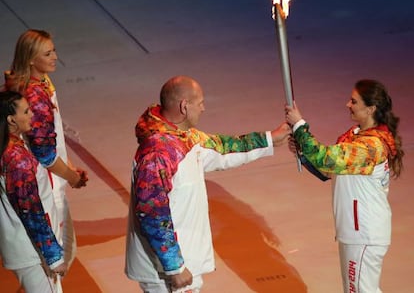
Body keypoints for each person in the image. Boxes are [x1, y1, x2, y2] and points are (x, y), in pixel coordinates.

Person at [125, 75, 291, 292]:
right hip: (165, 274)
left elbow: (224, 148)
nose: (203, 108)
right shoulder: (159, 152)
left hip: (182, 266)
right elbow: (152, 212)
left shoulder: (185, 137)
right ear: (185, 106)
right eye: (200, 103)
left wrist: (271, 139)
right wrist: (174, 266)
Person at [285, 79, 404, 292]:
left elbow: (327, 159)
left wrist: (300, 125)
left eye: (354, 101)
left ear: (370, 109)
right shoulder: (356, 136)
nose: (347, 105)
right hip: (355, 231)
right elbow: (329, 171)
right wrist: (302, 153)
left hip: (365, 232)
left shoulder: (370, 146)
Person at [4, 29, 88, 268]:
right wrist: (71, 176)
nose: (55, 57)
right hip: (46, 184)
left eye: (54, 51)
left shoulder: (38, 82)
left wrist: (69, 165)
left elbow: (53, 139)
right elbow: (45, 153)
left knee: (65, 253)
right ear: (31, 58)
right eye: (47, 53)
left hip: (53, 177)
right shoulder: (33, 95)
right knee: (56, 261)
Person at [0, 90, 66, 292]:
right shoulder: (16, 159)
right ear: (11, 119)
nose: (32, 115)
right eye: (26, 111)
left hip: (26, 247)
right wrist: (53, 257)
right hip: (32, 251)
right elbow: (30, 212)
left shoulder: (12, 147)